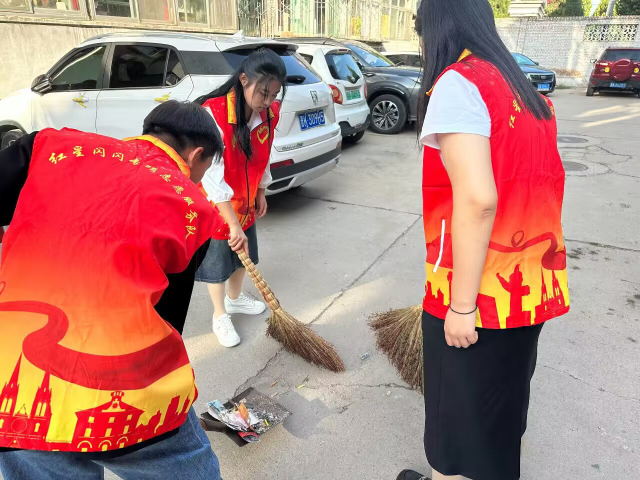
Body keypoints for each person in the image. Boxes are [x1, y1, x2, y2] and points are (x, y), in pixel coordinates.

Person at [0, 101, 224, 479]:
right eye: (203, 170)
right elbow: (166, 318)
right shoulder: (193, 207)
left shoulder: (48, 146)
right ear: (196, 154)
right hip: (124, 396)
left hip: (14, 390)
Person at [397, 1, 570, 480]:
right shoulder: (523, 88)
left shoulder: (460, 83)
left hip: (483, 296)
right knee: (497, 415)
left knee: (458, 433)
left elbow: (477, 200)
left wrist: (462, 306)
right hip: (531, 288)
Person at [194, 48, 286, 348]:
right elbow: (211, 175)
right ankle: (220, 314)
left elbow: (266, 151)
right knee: (219, 261)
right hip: (217, 203)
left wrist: (262, 190)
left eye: (274, 94)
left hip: (246, 197)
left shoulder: (269, 113)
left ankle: (234, 300)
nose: (268, 102)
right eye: (262, 93)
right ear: (243, 80)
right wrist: (232, 222)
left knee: (241, 257)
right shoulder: (215, 113)